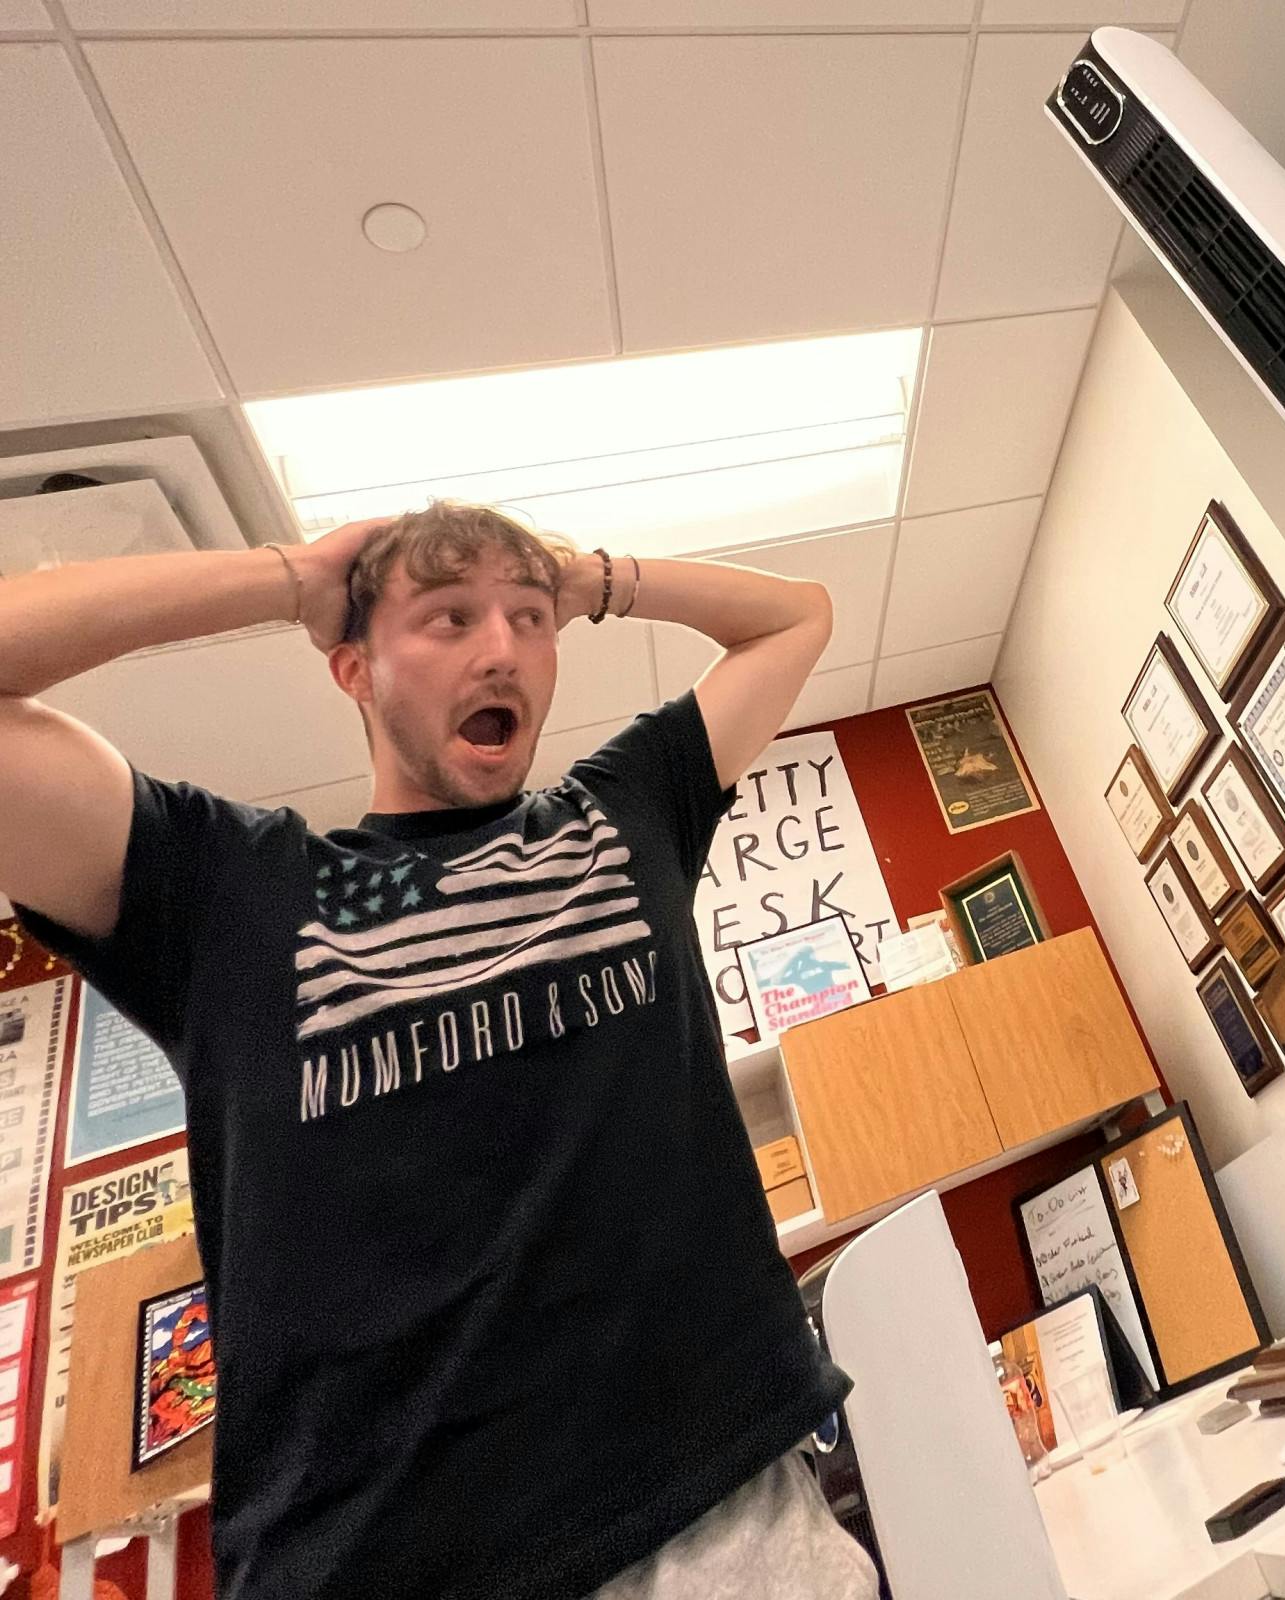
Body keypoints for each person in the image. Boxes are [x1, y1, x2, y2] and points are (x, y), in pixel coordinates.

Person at [0, 503, 882, 1600]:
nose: (502, 646)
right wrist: (293, 577)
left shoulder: (621, 816)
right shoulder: (233, 895)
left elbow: (796, 618)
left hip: (725, 1526)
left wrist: (591, 575)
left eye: (528, 617)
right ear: (352, 669)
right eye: (448, 617)